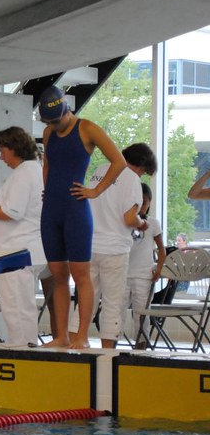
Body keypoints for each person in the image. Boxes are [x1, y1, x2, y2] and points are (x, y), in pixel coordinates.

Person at [38, 86, 126, 349]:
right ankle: (62, 336)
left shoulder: (87, 128)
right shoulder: (47, 133)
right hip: (51, 210)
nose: (53, 125)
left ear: (67, 110)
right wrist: (48, 190)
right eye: (49, 122)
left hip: (76, 210)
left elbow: (118, 161)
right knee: (57, 275)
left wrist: (96, 190)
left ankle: (82, 336)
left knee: (81, 274)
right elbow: (48, 165)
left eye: (56, 120)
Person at [69, 143, 153, 349]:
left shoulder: (101, 170)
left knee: (85, 299)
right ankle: (108, 355)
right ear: (141, 167)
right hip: (114, 248)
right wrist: (142, 224)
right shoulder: (131, 178)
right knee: (112, 303)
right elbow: (128, 218)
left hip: (89, 245)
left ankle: (76, 343)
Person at [0, 127, 46, 347]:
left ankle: (23, 348)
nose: (1, 157)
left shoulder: (24, 173)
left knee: (16, 306)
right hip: (22, 248)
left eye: (3, 151)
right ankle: (24, 344)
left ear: (15, 148)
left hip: (18, 251)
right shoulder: (31, 171)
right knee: (21, 305)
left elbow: (13, 212)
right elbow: (13, 210)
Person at [128, 183, 167, 348]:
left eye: (145, 202)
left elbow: (162, 250)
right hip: (122, 273)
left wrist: (158, 269)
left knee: (141, 313)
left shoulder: (153, 223)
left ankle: (141, 345)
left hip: (143, 275)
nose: (141, 206)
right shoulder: (125, 221)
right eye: (138, 202)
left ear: (149, 202)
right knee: (116, 309)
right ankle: (111, 342)